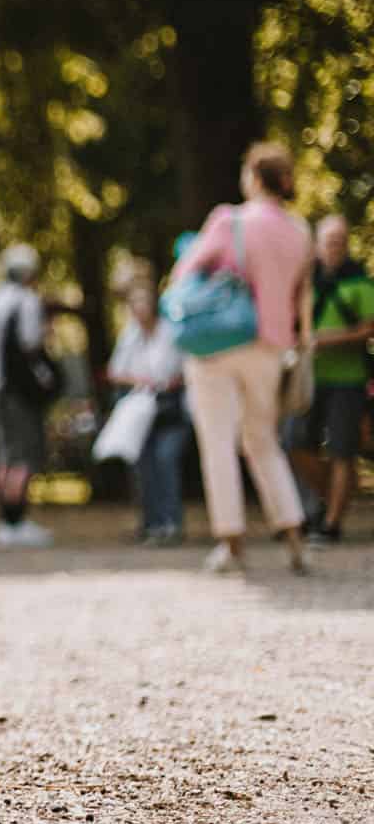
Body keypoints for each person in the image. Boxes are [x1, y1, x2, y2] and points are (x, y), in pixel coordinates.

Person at [172, 142, 313, 574]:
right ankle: (293, 535)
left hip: (218, 342)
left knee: (217, 440)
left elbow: (183, 276)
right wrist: (301, 341)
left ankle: (231, 542)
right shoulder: (300, 231)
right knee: (263, 441)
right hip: (271, 346)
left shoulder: (228, 219)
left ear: (253, 178)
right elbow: (302, 296)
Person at [285, 215, 374, 544]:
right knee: (294, 442)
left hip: (348, 378)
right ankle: (332, 498)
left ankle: (332, 522)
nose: (334, 246)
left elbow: (369, 328)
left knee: (342, 450)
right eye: (328, 240)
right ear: (317, 245)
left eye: (340, 240)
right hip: (307, 378)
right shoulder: (306, 284)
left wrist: (326, 340)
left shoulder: (360, 283)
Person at [0, 244, 55, 549]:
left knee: (3, 456)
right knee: (22, 455)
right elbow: (31, 343)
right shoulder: (26, 301)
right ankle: (17, 520)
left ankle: (3, 520)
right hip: (18, 391)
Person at [105, 285, 189, 545]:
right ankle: (152, 523)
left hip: (170, 409)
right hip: (140, 409)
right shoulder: (129, 335)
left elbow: (186, 368)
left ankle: (172, 522)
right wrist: (139, 380)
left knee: (165, 459)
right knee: (143, 465)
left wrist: (168, 383)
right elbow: (115, 371)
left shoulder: (171, 333)